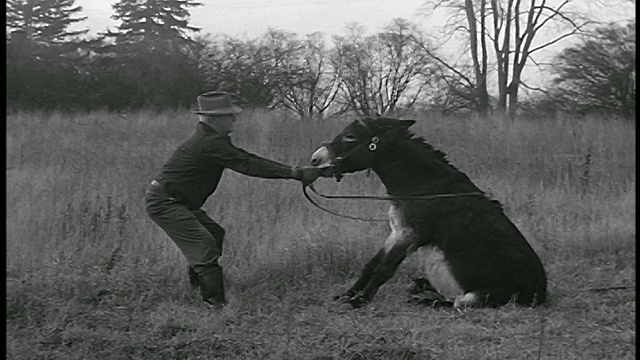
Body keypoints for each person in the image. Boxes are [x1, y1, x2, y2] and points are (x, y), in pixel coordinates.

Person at [144, 91, 322, 308]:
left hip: (176, 201)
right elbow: (248, 164)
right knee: (204, 241)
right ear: (215, 119)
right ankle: (214, 305)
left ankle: (197, 288)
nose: (234, 119)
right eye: (229, 115)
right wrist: (295, 173)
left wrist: (295, 172)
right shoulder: (210, 143)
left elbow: (247, 159)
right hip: (165, 202)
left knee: (214, 233)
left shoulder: (212, 140)